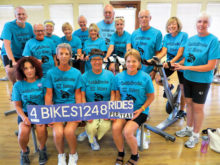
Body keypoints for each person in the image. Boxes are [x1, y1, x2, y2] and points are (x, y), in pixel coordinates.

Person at [174, 12, 220, 148]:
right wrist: (178, 64)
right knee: (188, 104)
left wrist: (186, 67)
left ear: (209, 24)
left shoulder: (213, 41)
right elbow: (187, 59)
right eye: (199, 21)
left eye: (205, 22)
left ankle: (195, 135)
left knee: (198, 108)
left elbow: (211, 66)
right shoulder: (191, 39)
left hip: (202, 80)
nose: (202, 24)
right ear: (196, 23)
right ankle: (188, 128)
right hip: (188, 77)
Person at [112, 49, 155, 165]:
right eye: (129, 61)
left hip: (140, 110)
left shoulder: (145, 77)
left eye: (134, 61)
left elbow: (151, 97)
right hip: (124, 109)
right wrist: (115, 110)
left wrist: (141, 109)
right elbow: (117, 95)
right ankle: (121, 153)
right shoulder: (118, 77)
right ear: (125, 63)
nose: (131, 64)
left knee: (127, 132)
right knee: (115, 128)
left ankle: (135, 155)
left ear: (139, 63)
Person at [45, 43, 82, 165]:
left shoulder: (76, 73)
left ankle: (73, 154)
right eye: (61, 53)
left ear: (71, 55)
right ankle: (61, 155)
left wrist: (79, 112)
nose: (64, 56)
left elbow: (78, 94)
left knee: (69, 132)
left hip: (72, 107)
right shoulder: (51, 73)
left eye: (67, 54)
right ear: (57, 56)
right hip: (57, 107)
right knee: (58, 133)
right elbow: (49, 95)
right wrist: (49, 114)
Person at [12, 56, 48, 165]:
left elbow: (48, 100)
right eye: (26, 68)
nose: (29, 71)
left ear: (36, 68)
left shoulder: (43, 82)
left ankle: (42, 149)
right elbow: (17, 106)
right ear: (21, 71)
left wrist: (47, 114)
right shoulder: (18, 85)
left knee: (41, 128)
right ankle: (24, 152)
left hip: (40, 111)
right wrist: (24, 117)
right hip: (25, 112)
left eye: (31, 67)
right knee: (23, 131)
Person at [78, 49, 115, 151]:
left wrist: (110, 110)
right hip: (91, 108)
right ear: (90, 61)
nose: (97, 62)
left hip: (105, 108)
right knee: (92, 127)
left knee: (105, 127)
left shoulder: (110, 75)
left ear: (103, 60)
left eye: (99, 59)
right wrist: (86, 112)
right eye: (94, 59)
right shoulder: (84, 76)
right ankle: (91, 138)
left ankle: (89, 134)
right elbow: (82, 96)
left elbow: (113, 95)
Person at [155, 17, 188, 116]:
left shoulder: (183, 35)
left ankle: (182, 110)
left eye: (174, 24)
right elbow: (164, 51)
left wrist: (171, 62)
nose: (171, 26)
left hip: (182, 62)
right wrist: (155, 58)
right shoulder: (166, 37)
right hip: (171, 62)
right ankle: (170, 86)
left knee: (183, 88)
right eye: (169, 24)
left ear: (178, 26)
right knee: (158, 79)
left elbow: (180, 53)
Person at [1, 6, 34, 84]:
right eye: (19, 14)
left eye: (23, 14)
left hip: (22, 54)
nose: (21, 16)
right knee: (10, 70)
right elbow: (6, 45)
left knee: (27, 70)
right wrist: (12, 61)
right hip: (9, 53)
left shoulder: (29, 26)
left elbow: (33, 41)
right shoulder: (8, 26)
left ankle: (25, 86)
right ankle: (14, 85)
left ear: (26, 16)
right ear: (15, 16)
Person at [131, 10, 162, 79]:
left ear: (150, 18)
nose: (144, 19)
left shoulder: (157, 33)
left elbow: (158, 54)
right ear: (138, 19)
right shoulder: (134, 33)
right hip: (135, 69)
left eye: (146, 17)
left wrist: (154, 70)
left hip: (149, 70)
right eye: (141, 17)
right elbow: (132, 53)